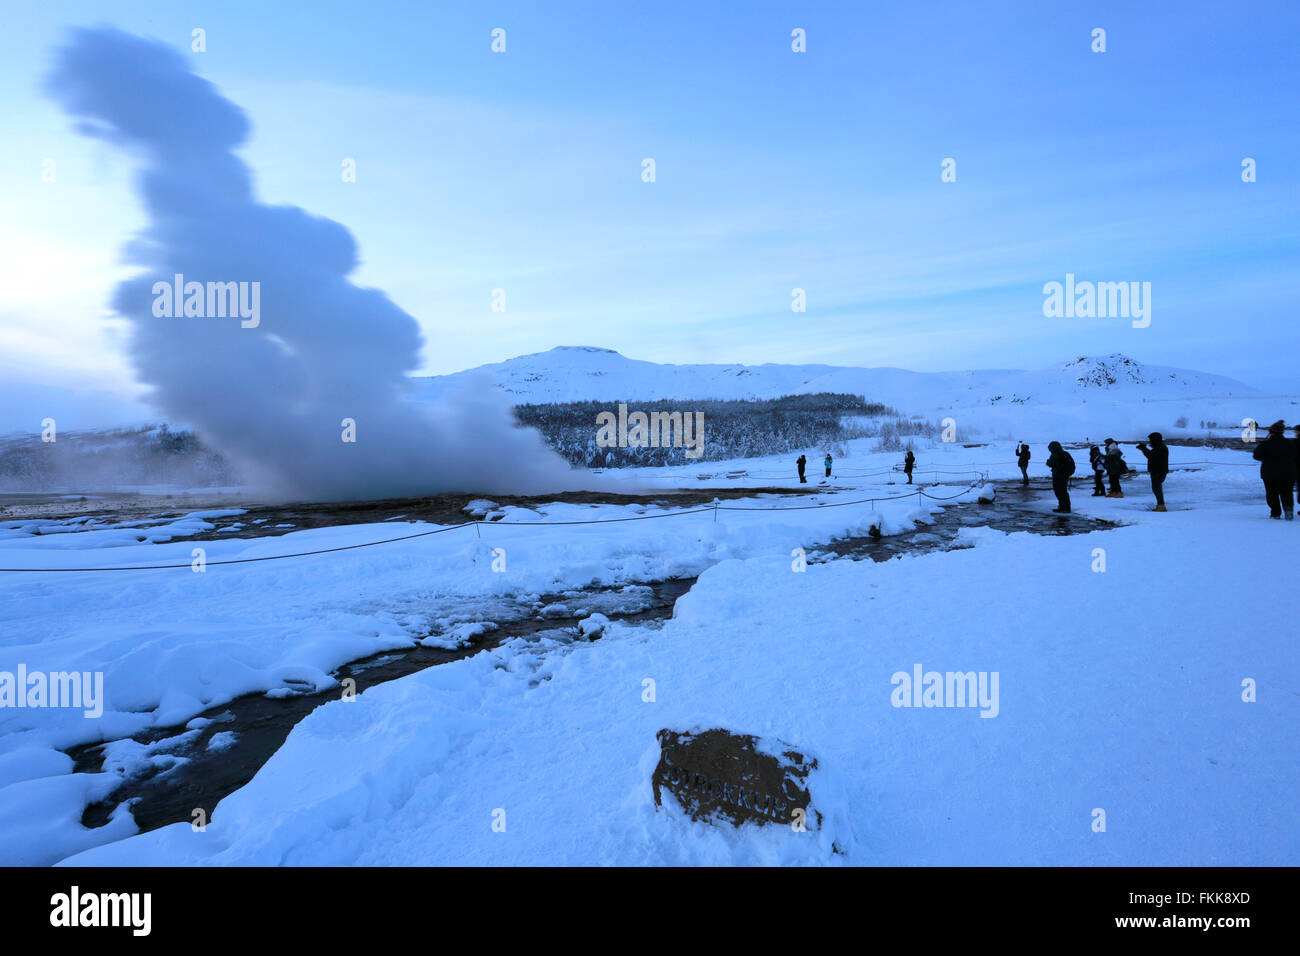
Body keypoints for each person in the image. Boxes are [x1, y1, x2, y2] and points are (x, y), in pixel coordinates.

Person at [1251, 421, 1297, 520]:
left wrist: (1262, 445)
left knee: (1272, 493)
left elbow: (1256, 456)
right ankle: (1288, 510)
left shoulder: (1266, 444)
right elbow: (1295, 456)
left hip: (1270, 473)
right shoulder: (1290, 443)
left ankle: (1275, 513)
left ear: (1271, 432)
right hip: (1288, 473)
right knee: (1287, 493)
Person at [1136, 432, 1170, 512]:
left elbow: (1151, 456)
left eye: (1151, 439)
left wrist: (1143, 449)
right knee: (1156, 488)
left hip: (1158, 471)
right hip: (1159, 470)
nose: (1150, 441)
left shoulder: (1160, 447)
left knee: (1156, 489)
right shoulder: (1160, 447)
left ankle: (1161, 506)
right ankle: (1160, 505)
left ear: (1155, 439)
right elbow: (1151, 456)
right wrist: (1144, 449)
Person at [1046, 441, 1075, 513]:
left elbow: (1051, 463)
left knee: (1059, 491)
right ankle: (1065, 507)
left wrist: (1048, 462)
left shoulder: (1056, 454)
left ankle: (1063, 507)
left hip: (1058, 475)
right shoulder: (1065, 453)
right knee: (1063, 491)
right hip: (1064, 475)